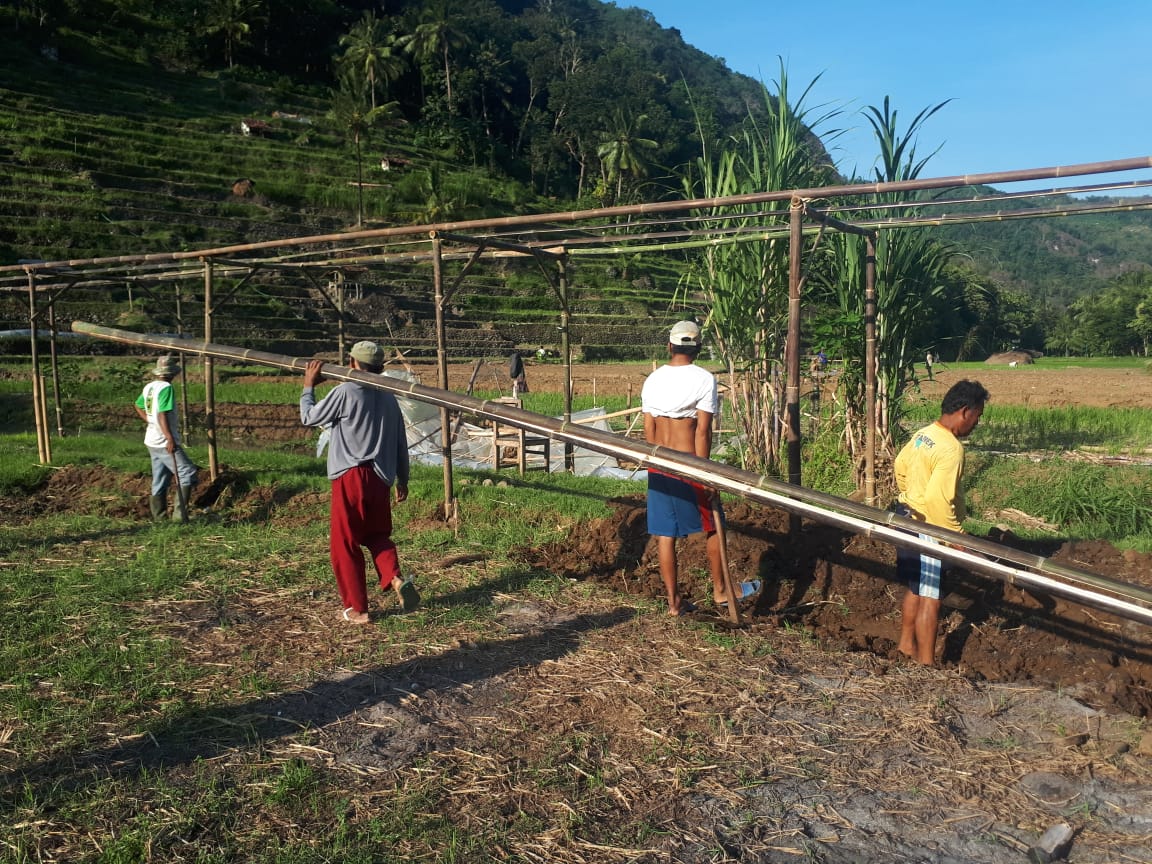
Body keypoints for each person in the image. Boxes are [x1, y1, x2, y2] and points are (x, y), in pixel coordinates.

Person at [641, 320, 760, 616]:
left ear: (669, 346)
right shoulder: (704, 379)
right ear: (698, 348)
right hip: (688, 463)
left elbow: (648, 427)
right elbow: (702, 431)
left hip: (659, 463)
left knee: (665, 535)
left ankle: (673, 603)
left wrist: (656, 462)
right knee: (713, 522)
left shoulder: (653, 379)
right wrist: (704, 472)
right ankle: (722, 590)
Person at [300, 340, 420, 624]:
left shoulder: (345, 391)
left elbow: (308, 418)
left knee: (345, 543)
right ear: (379, 368)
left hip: (351, 475)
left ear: (353, 363)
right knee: (377, 535)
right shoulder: (390, 398)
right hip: (381, 478)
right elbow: (401, 443)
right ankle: (395, 579)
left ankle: (358, 608)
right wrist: (403, 479)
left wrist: (309, 385)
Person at [893, 379, 989, 664]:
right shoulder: (951, 448)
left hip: (906, 515)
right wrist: (955, 538)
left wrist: (909, 496)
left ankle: (905, 646)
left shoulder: (924, 434)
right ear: (964, 411)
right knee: (932, 597)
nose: (976, 422)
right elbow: (937, 499)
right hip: (928, 527)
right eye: (978, 415)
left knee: (916, 588)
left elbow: (900, 465)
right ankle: (926, 664)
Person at [134, 354, 197, 522]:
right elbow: (162, 413)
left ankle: (159, 517)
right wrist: (169, 438)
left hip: (151, 439)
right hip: (163, 440)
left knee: (160, 476)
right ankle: (179, 517)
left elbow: (138, 405)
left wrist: (149, 419)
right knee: (187, 472)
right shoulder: (166, 388)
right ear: (173, 373)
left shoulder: (150, 387)